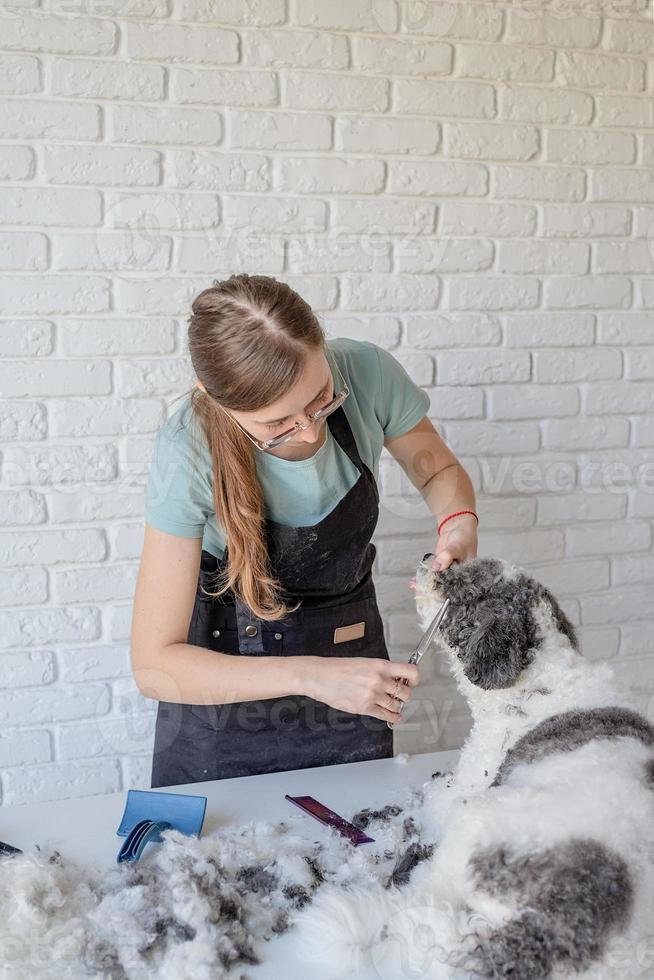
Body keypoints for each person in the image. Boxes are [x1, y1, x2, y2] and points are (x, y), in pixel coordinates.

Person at [131, 273, 478, 787]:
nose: (311, 431)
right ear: (215, 399)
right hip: (225, 699)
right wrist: (308, 675)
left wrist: (457, 525)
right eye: (279, 424)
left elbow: (437, 471)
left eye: (321, 398)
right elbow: (155, 666)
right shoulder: (188, 450)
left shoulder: (366, 371)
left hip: (351, 665)